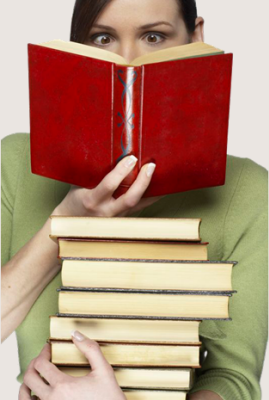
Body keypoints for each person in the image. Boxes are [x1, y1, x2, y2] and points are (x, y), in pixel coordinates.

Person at [1, 0, 267, 399]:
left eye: (154, 37)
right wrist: (68, 220)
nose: (129, 63)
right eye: (102, 38)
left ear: (195, 38)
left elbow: (233, 377)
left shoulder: (250, 190)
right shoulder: (15, 163)